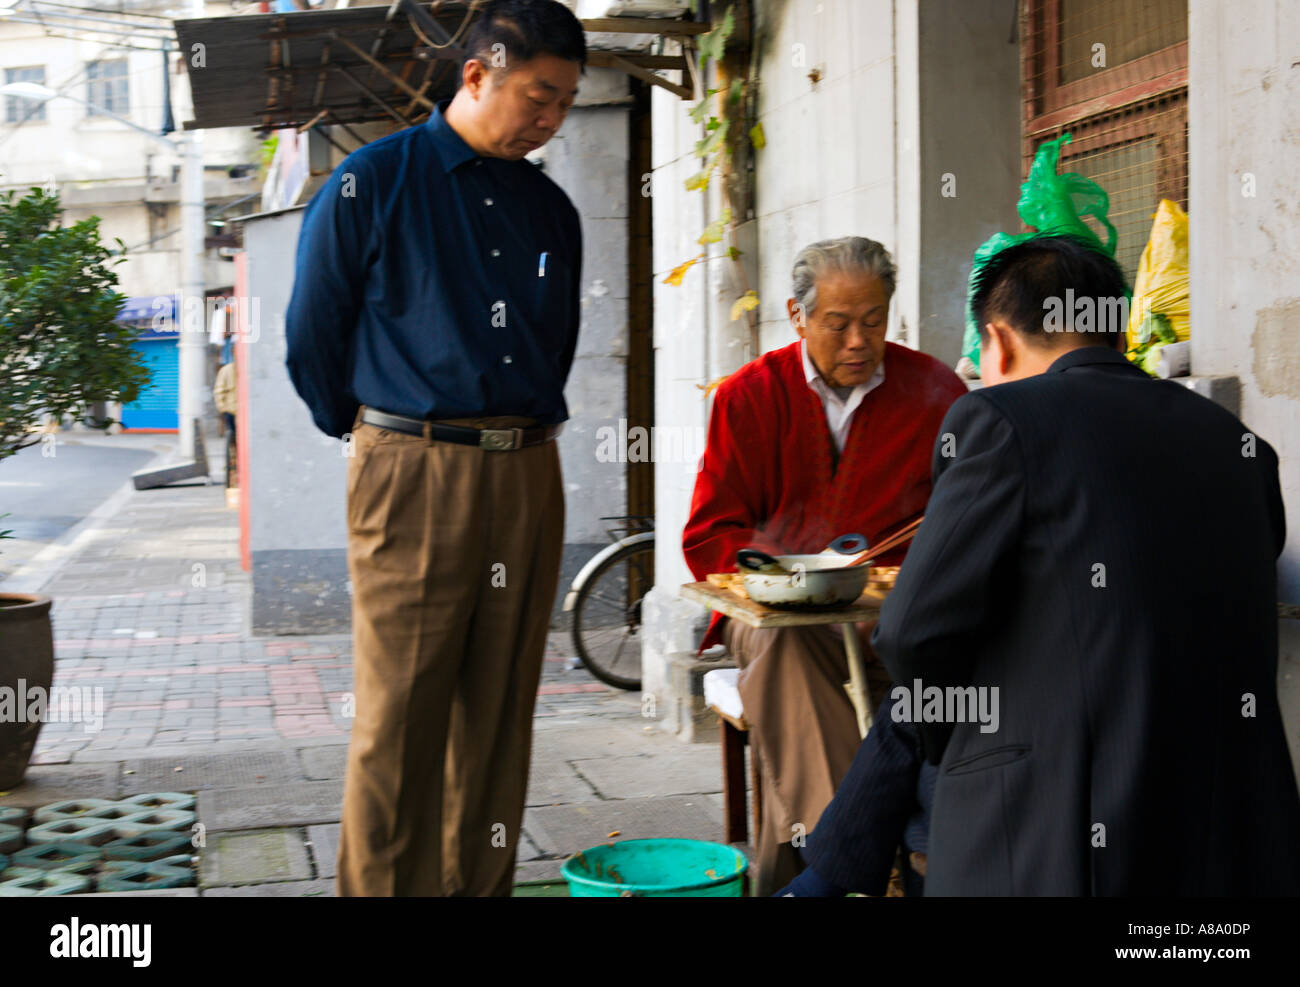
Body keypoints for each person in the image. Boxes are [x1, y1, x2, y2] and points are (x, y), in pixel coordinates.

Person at [794, 233, 1300, 895]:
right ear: (1113, 334)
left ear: (997, 342)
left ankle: (822, 880)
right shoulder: (1242, 445)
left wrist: (955, 741)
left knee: (919, 724)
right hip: (1232, 819)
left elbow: (914, 631)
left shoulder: (1001, 419)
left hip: (1067, 815)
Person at [283, 0, 586, 896]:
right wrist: (379, 433)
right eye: (538, 96)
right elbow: (311, 334)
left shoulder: (550, 209)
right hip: (411, 465)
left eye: (566, 103)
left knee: (500, 710)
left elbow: (554, 339)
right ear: (478, 74)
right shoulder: (371, 182)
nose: (550, 119)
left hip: (529, 468)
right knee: (400, 712)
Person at [682, 236, 968, 895]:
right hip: (773, 614)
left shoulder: (937, 390)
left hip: (899, 612)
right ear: (798, 315)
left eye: (873, 319)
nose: (858, 341)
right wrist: (781, 581)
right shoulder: (748, 396)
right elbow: (711, 531)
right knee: (788, 653)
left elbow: (960, 521)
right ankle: (872, 871)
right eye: (838, 323)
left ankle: (820, 870)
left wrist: (892, 594)